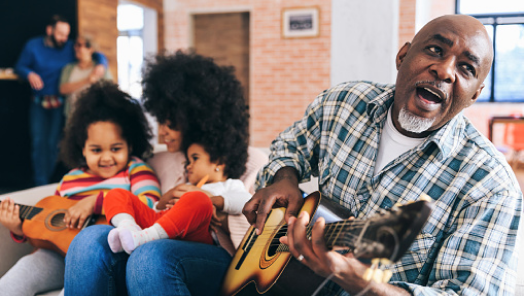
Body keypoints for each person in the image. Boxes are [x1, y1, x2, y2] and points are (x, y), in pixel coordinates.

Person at [243, 15, 522, 295]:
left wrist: (368, 286)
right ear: (403, 56)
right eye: (436, 50)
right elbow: (290, 147)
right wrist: (284, 178)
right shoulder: (342, 103)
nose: (445, 71)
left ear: (474, 95)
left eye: (466, 67)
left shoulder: (490, 186)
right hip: (282, 278)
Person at [64, 50, 258, 296]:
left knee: (150, 255)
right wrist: (163, 202)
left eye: (171, 123)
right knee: (89, 240)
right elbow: (148, 208)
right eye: (160, 121)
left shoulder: (247, 161)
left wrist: (215, 208)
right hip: (151, 249)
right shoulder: (155, 162)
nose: (162, 132)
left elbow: (256, 234)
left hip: (217, 260)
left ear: (197, 118)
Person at [0, 81, 160, 296]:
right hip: (57, 257)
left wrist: (95, 202)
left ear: (130, 145)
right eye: (96, 149)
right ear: (82, 149)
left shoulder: (135, 169)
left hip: (109, 255)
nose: (106, 157)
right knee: (14, 279)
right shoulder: (71, 178)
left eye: (116, 148)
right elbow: (50, 228)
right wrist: (19, 229)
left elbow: (150, 206)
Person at [104, 140, 251, 254]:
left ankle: (144, 238)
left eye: (195, 158)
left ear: (218, 162)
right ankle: (128, 230)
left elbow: (246, 202)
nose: (188, 166)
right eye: (188, 161)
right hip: (161, 222)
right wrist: (169, 195)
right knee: (116, 194)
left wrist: (211, 201)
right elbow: (156, 209)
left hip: (194, 234)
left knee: (199, 199)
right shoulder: (185, 184)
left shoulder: (230, 185)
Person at [14, 15, 107, 186]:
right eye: (60, 34)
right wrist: (29, 73)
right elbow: (20, 66)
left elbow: (96, 53)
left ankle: (49, 182)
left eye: (66, 34)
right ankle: (40, 182)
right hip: (38, 102)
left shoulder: (69, 47)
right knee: (38, 142)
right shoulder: (33, 46)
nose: (64, 38)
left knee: (53, 144)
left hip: (59, 104)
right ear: (50, 31)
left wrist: (102, 64)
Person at [59, 34, 112, 120]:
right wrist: (87, 80)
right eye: (75, 45)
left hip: (95, 116)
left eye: (80, 45)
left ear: (90, 48)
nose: (76, 48)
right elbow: (62, 89)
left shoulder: (100, 68)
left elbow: (110, 90)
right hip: (72, 115)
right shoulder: (68, 68)